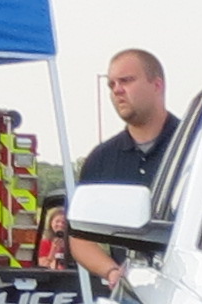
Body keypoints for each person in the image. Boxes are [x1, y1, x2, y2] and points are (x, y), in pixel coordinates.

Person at [67, 49, 174, 284]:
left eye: (126, 81)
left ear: (157, 85)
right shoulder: (101, 159)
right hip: (132, 298)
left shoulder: (196, 145)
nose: (117, 90)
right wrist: (112, 272)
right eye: (111, 84)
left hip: (190, 288)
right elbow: (79, 238)